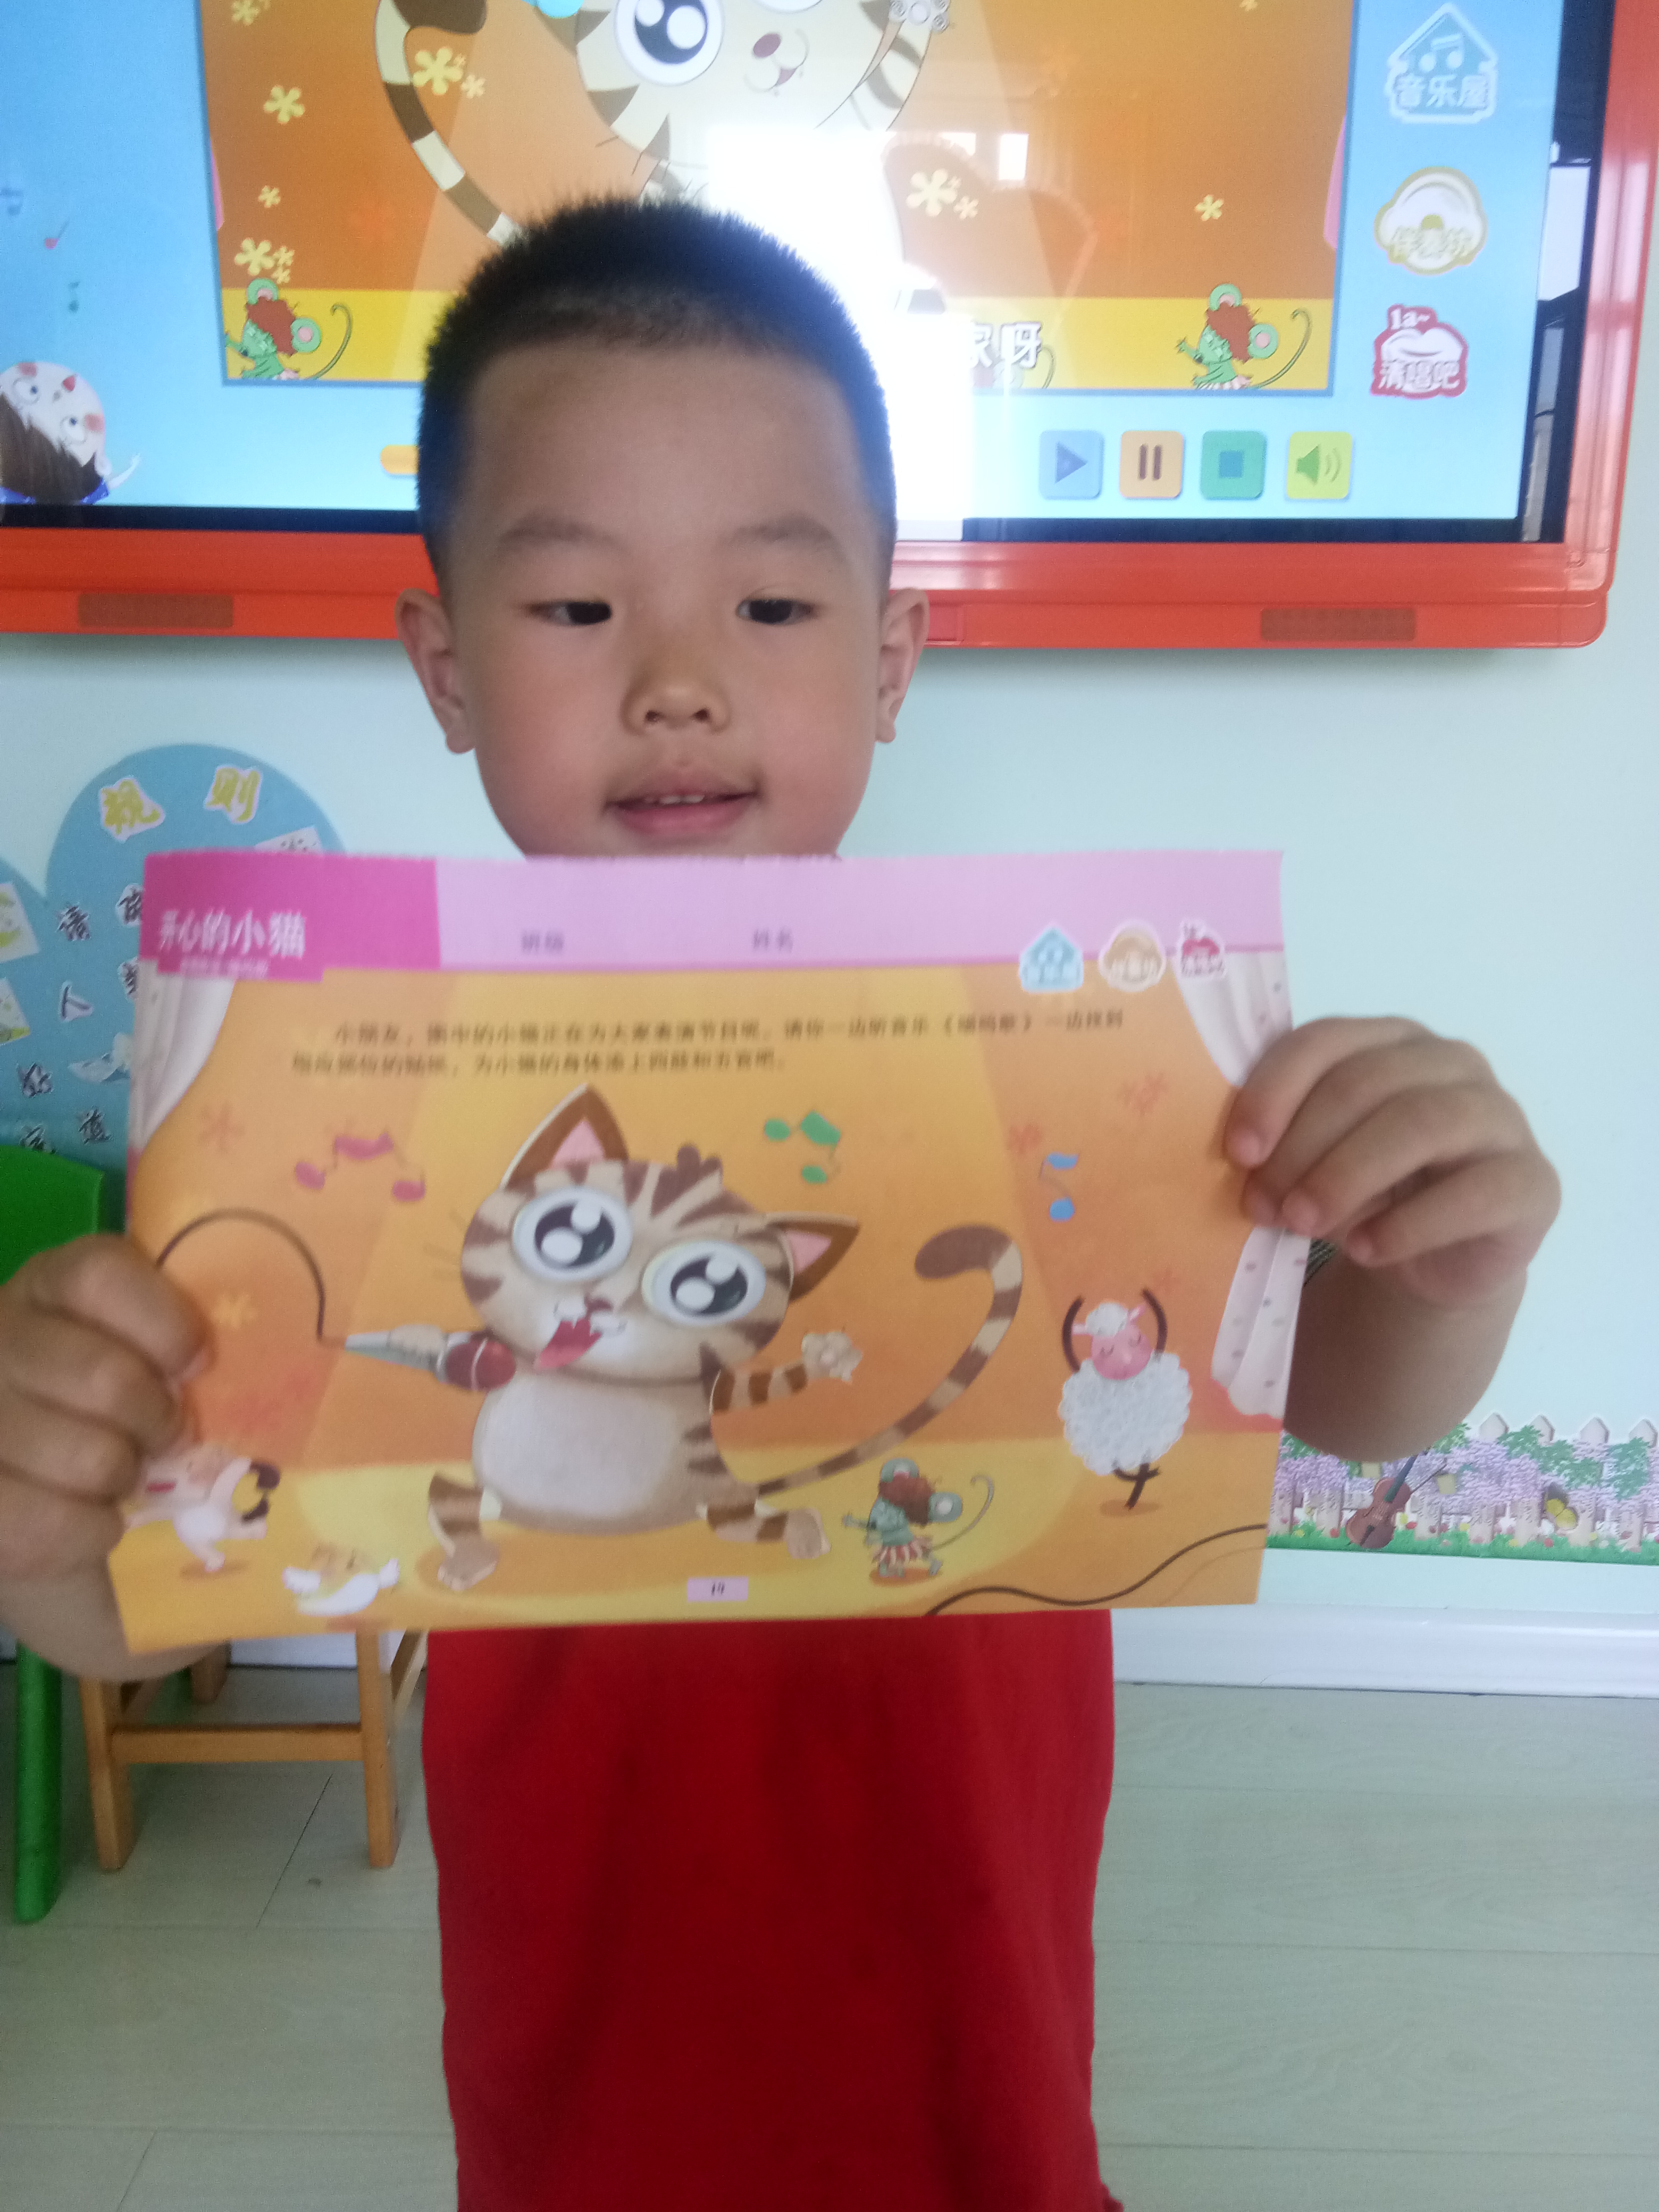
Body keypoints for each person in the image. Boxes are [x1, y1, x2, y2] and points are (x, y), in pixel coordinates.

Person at [0, 202, 1560, 2211]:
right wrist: (40, 1519)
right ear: (445, 666)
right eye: (577, 608)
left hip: (986, 2096)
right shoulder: (364, 1112)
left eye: (771, 604)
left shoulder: (1053, 1061)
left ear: (891, 658)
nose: (676, 684)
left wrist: (1448, 1264)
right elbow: (144, 1601)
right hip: (583, 2119)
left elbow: (1332, 1398)